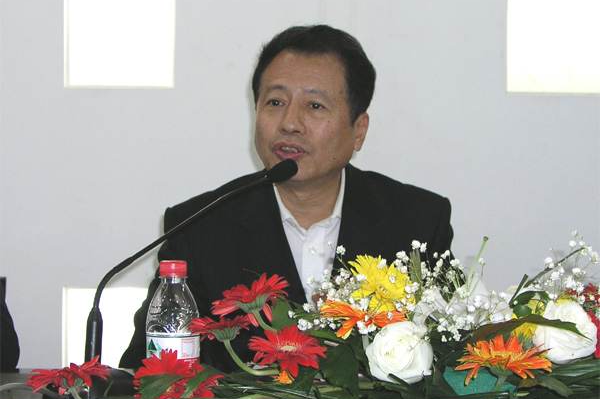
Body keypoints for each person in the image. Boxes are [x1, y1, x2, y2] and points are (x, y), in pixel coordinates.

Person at [120, 25, 453, 372]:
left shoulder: (418, 223)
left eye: (315, 105)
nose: (290, 123)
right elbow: (147, 372)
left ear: (359, 130)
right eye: (275, 102)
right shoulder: (198, 227)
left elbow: (450, 364)